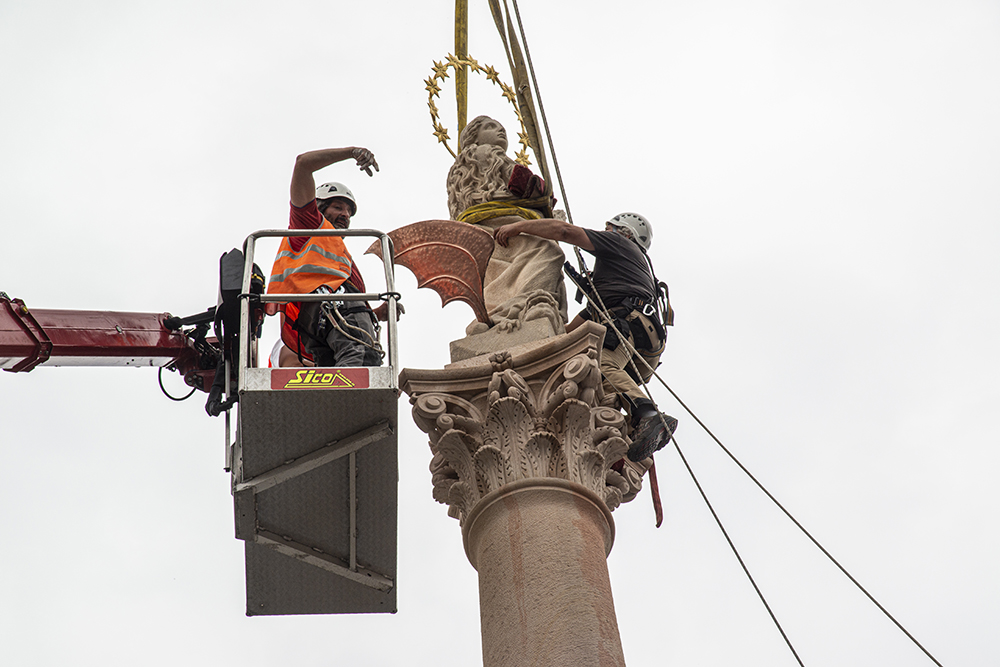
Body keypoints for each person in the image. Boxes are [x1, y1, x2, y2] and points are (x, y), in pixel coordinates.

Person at [494, 212, 676, 462]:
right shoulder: (623, 276)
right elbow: (585, 320)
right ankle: (634, 430)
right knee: (598, 384)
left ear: (624, 232)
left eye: (609, 228)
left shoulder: (621, 244)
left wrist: (517, 227)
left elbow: (565, 232)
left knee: (601, 364)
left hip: (630, 326)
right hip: (642, 341)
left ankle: (649, 415)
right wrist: (552, 340)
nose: (605, 231)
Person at [267, 146, 400, 367]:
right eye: (338, 207)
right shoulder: (309, 223)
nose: (345, 215)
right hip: (329, 307)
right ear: (318, 206)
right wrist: (352, 152)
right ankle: (358, 399)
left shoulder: (338, 252)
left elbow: (342, 315)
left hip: (317, 319)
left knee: (333, 374)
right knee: (362, 359)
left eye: (348, 212)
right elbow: (303, 164)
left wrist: (373, 312)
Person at [446, 115, 567, 335]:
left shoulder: (459, 167)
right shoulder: (488, 153)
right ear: (474, 136)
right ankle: (524, 304)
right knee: (548, 251)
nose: (500, 131)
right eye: (490, 127)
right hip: (502, 219)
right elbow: (525, 184)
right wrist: (545, 199)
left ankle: (491, 316)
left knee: (496, 272)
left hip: (476, 228)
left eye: (501, 127)